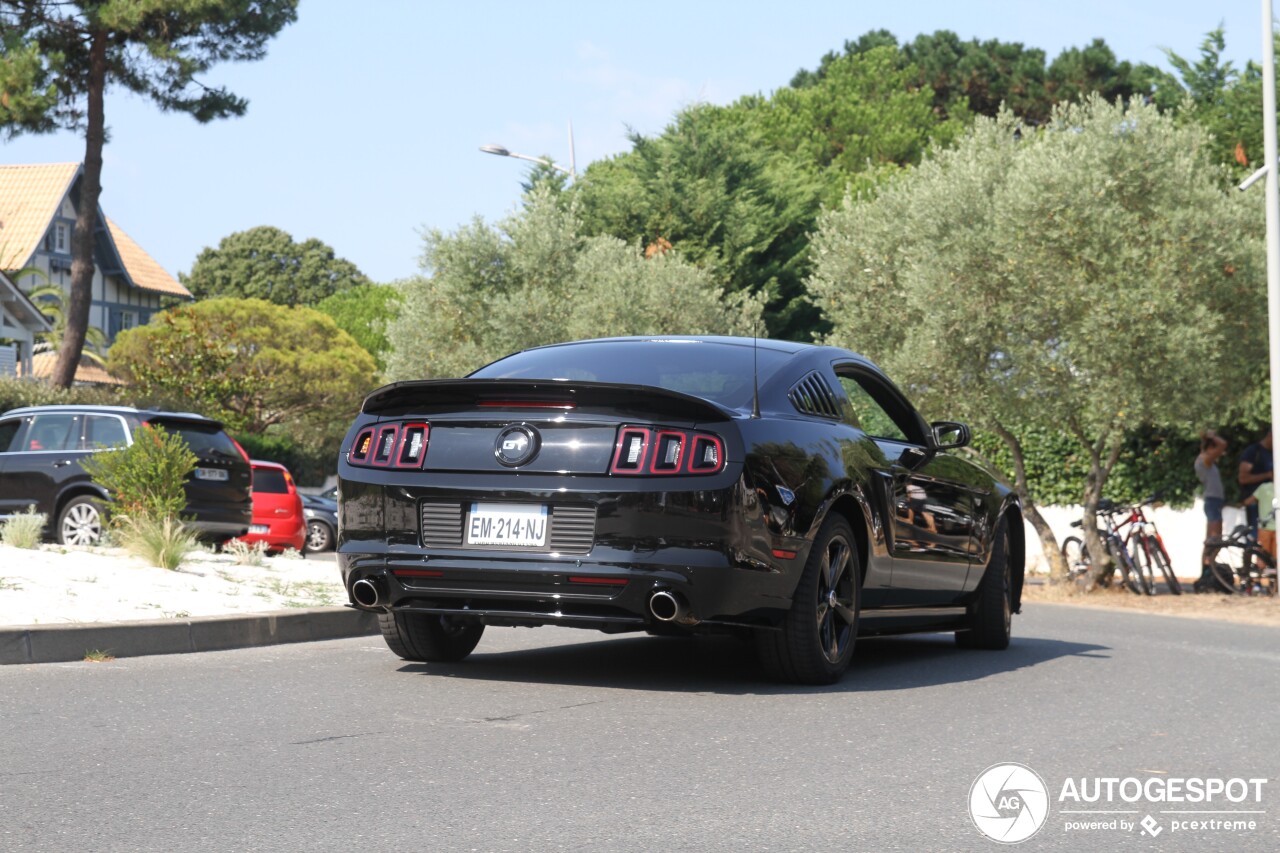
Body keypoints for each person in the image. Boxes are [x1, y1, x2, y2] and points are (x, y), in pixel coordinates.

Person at [1195, 429, 1228, 591]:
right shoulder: (1205, 459)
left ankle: (1209, 570)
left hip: (1215, 502)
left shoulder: (1208, 461)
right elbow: (1223, 445)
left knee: (1214, 540)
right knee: (1213, 539)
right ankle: (1207, 572)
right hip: (1212, 502)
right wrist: (1212, 437)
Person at [1238, 427, 1274, 539]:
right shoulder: (1253, 451)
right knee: (1254, 536)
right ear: (1270, 435)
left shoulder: (1273, 452)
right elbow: (1243, 478)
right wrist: (1267, 475)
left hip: (1269, 503)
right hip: (1254, 501)